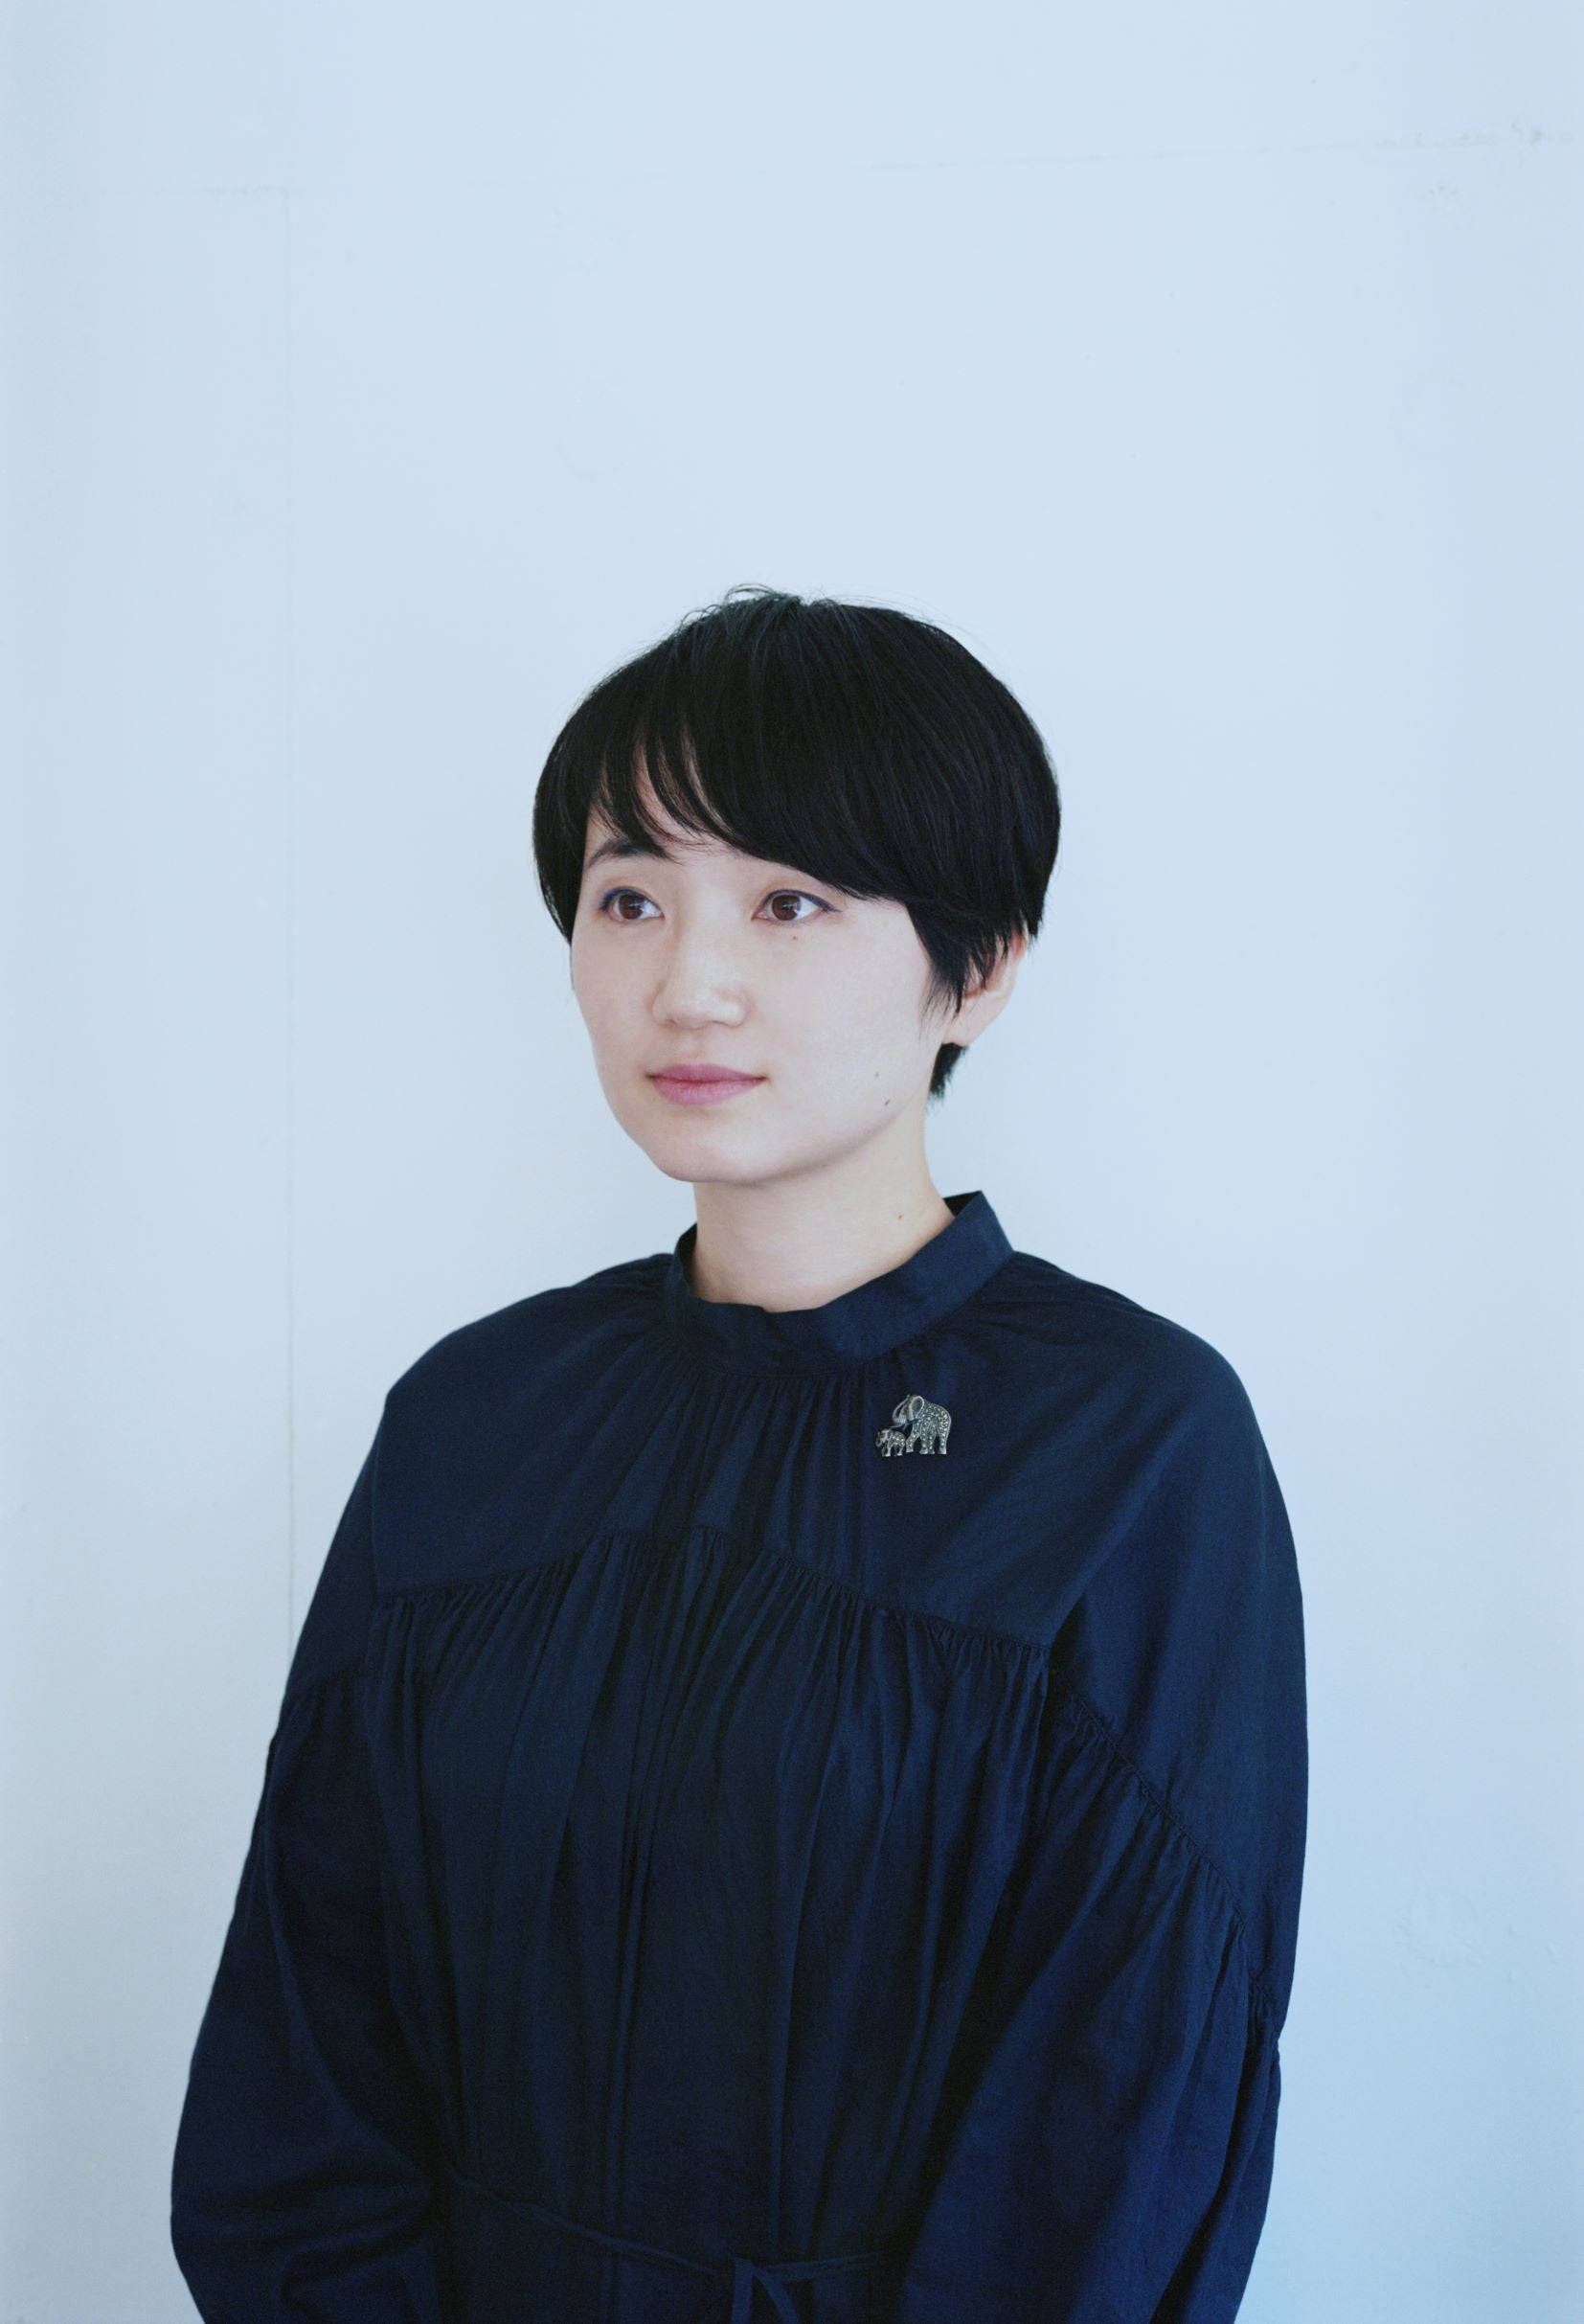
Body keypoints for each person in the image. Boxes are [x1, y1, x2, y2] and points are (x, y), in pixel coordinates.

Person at [170, 584, 1307, 2321]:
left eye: (790, 901)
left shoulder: (1127, 1448)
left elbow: (1111, 2128)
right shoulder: (474, 1416)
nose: (687, 984)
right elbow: (299, 2049)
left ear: (979, 966)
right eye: (629, 897)